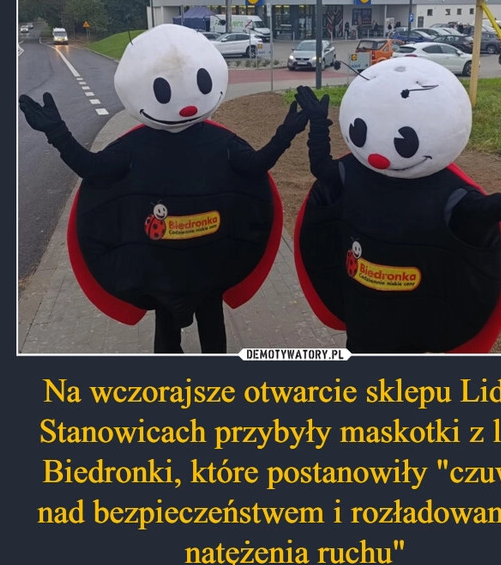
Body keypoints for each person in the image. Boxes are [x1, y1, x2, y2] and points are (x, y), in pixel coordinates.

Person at [19, 24, 309, 354]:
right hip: (169, 271)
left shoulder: (218, 144)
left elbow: (256, 167)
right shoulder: (143, 149)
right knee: (173, 339)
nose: (185, 108)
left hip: (197, 268)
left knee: (208, 336)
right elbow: (94, 170)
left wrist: (287, 132)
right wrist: (56, 133)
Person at [293, 61, 501, 355]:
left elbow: (490, 211)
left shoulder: (448, 196)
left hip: (412, 319)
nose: (379, 157)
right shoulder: (352, 173)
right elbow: (321, 168)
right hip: (363, 313)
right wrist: (319, 125)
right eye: (359, 131)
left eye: (405, 143)